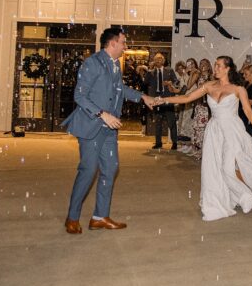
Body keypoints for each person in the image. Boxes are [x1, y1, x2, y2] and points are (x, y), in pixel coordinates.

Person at [155, 55, 252, 220]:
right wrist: (163, 100)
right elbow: (186, 98)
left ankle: (245, 194)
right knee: (214, 167)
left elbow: (248, 111)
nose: (216, 68)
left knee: (228, 168)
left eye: (219, 65)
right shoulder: (208, 86)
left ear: (228, 69)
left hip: (232, 130)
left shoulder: (238, 89)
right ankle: (230, 197)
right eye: (215, 65)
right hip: (214, 131)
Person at [62, 27, 155, 233]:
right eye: (123, 42)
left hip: (109, 131)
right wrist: (102, 114)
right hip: (92, 126)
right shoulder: (92, 63)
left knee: (110, 169)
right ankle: (72, 217)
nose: (125, 46)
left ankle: (99, 217)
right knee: (88, 171)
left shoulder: (115, 65)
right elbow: (80, 96)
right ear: (112, 43)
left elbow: (120, 90)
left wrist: (142, 97)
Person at [144, 51, 179, 150]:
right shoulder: (151, 72)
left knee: (171, 122)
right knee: (158, 122)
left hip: (167, 99)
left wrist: (170, 82)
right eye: (156, 59)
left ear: (163, 61)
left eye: (160, 59)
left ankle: (175, 142)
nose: (158, 60)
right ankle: (158, 143)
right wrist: (149, 70)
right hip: (156, 99)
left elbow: (176, 81)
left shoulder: (169, 70)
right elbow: (145, 82)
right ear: (154, 61)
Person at [189, 58, 213, 160]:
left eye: (205, 63)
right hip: (199, 106)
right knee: (197, 128)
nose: (203, 65)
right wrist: (192, 73)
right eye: (201, 63)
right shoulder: (197, 75)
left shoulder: (212, 77)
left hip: (208, 107)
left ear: (208, 66)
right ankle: (199, 151)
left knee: (206, 129)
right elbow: (189, 85)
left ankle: (206, 152)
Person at [177, 57, 200, 144]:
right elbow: (182, 87)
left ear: (195, 64)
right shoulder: (186, 74)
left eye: (192, 63)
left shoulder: (196, 73)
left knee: (190, 120)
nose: (190, 66)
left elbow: (189, 86)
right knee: (185, 120)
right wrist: (185, 73)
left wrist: (189, 74)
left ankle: (192, 144)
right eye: (188, 64)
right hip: (186, 98)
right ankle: (187, 144)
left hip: (193, 98)